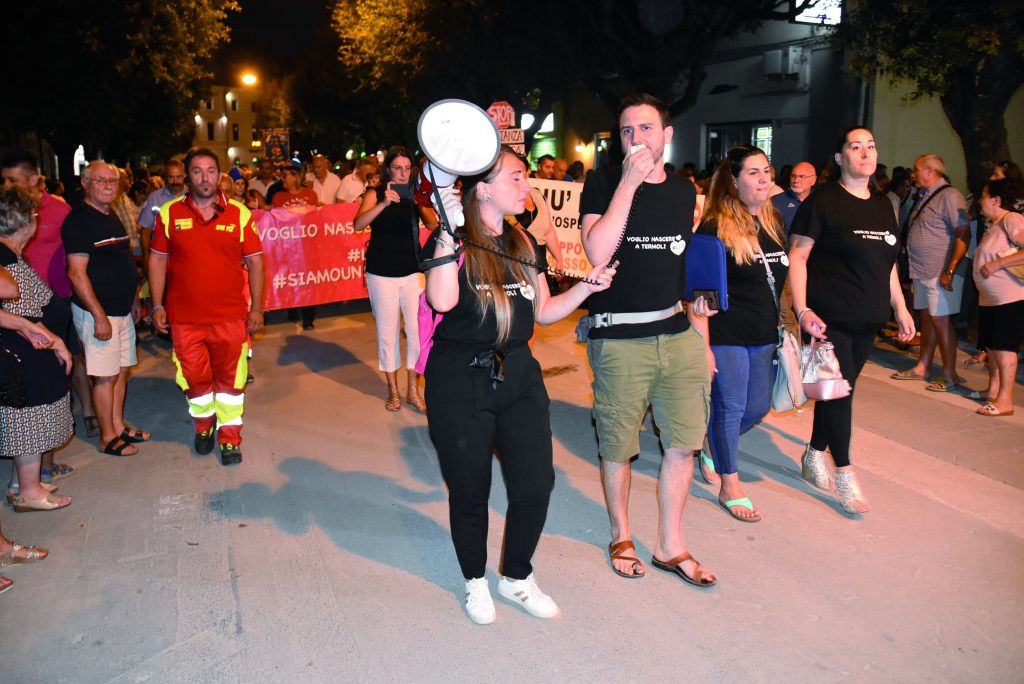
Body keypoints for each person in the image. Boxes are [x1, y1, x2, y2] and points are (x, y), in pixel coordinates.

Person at [424, 146, 614, 624]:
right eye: (516, 177)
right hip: (459, 379)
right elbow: (442, 302)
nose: (526, 186)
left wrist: (586, 287)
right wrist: (446, 237)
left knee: (536, 484)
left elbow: (543, 311)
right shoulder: (452, 241)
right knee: (470, 488)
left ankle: (516, 577)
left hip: (519, 375)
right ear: (483, 190)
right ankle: (475, 580)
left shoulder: (525, 241)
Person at [580, 94, 716, 586]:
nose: (634, 138)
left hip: (676, 333)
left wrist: (701, 336)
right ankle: (621, 534)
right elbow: (597, 251)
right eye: (626, 130)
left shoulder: (683, 191)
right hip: (619, 337)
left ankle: (670, 545)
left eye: (645, 128)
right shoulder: (602, 182)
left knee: (683, 444)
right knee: (619, 445)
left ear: (667, 134)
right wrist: (628, 183)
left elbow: (687, 265)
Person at [788, 126, 916, 514]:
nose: (865, 153)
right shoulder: (823, 201)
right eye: (856, 147)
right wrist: (802, 310)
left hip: (869, 317)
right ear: (840, 158)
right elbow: (798, 257)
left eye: (870, 146)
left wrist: (900, 307)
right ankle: (844, 473)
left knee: (838, 391)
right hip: (828, 318)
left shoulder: (883, 206)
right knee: (840, 394)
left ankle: (813, 453)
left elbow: (887, 262)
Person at [148, 147, 265, 466]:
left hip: (230, 318)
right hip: (184, 320)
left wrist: (256, 308)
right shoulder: (169, 213)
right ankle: (204, 425)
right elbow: (157, 260)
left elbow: (256, 262)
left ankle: (229, 438)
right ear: (188, 176)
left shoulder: (239, 213)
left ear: (219, 175)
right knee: (195, 381)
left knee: (231, 383)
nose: (205, 177)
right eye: (197, 171)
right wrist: (156, 304)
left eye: (211, 171)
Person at [696, 146, 788, 522]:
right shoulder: (713, 227)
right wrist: (704, 345)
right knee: (732, 407)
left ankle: (710, 441)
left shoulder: (773, 221)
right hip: (727, 332)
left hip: (763, 332)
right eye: (753, 172)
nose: (764, 178)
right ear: (733, 181)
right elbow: (701, 294)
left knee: (758, 407)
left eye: (766, 170)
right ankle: (729, 485)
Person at [1, 151, 92, 476]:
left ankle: (42, 469)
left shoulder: (59, 209)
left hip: (52, 303)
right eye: (4, 180)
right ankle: (32, 479)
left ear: (33, 180)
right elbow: (8, 288)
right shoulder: (6, 230)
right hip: (24, 322)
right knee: (31, 400)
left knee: (57, 383)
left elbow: (75, 252)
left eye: (13, 179)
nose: (7, 185)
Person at [63, 161, 147, 457]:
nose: (109, 186)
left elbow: (121, 259)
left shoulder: (110, 215)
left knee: (121, 371)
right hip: (99, 313)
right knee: (104, 377)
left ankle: (118, 426)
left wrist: (133, 298)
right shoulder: (79, 221)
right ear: (85, 183)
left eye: (113, 180)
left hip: (122, 310)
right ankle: (107, 437)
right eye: (101, 180)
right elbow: (76, 273)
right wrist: (98, 315)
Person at [0, 188, 74, 512]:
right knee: (30, 420)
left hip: (27, 350)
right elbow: (23, 311)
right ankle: (30, 492)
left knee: (27, 420)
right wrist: (54, 340)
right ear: (27, 222)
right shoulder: (4, 258)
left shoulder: (10, 254)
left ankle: (21, 485)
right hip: (24, 355)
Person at [354, 148, 426, 412]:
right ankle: (393, 390)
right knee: (388, 334)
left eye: (407, 168)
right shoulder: (375, 193)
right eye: (398, 168)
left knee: (417, 331)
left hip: (412, 272)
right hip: (381, 273)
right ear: (388, 170)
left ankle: (412, 390)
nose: (403, 173)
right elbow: (358, 224)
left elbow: (432, 224)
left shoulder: (415, 194)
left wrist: (422, 201)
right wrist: (383, 203)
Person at [892, 154, 970, 391]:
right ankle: (923, 366)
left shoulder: (950, 196)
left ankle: (949, 374)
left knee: (941, 320)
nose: (913, 174)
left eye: (916, 170)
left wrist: (950, 269)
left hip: (940, 271)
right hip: (922, 270)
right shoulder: (925, 196)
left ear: (929, 171)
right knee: (927, 318)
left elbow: (963, 234)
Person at [970, 178, 1024, 417]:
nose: (980, 201)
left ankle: (1005, 401)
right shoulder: (994, 224)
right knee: (991, 346)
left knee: (1004, 347)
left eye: (983, 195)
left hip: (1009, 297)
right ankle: (993, 390)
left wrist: (997, 264)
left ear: (996, 200)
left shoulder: (1011, 219)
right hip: (990, 299)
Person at [138, 159, 186, 265]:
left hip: (186, 257)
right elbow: (145, 231)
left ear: (184, 176)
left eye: (179, 177)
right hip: (160, 256)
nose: (175, 181)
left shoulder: (192, 196)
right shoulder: (154, 198)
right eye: (171, 177)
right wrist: (146, 258)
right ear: (166, 177)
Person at [771, 161, 816, 233]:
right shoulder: (774, 202)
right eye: (793, 176)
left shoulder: (819, 201)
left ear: (813, 180)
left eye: (802, 177)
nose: (796, 180)